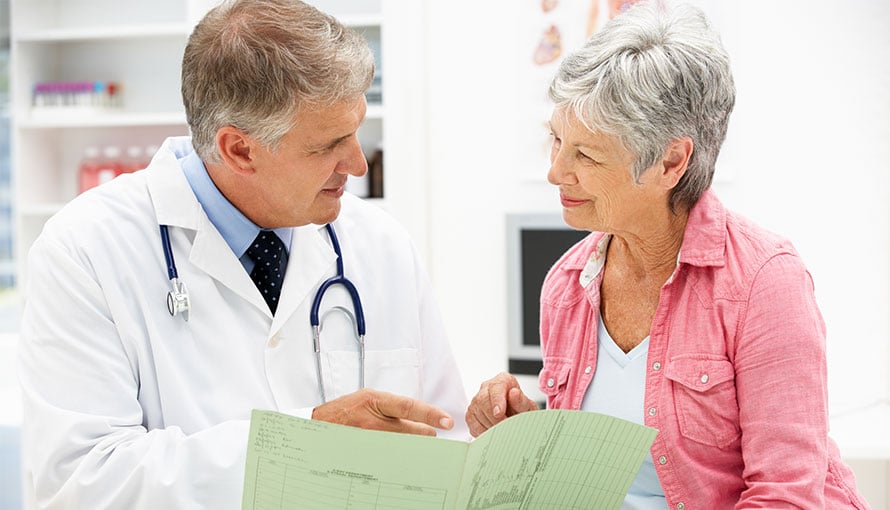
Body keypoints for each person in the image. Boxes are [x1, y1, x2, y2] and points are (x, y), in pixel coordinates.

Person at [18, 0, 468, 508]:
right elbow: (83, 483)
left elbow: (444, 441)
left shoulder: (381, 245)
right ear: (239, 150)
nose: (358, 164)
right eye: (329, 145)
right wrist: (306, 444)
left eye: (357, 131)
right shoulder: (86, 250)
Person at [466, 2, 870, 508]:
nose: (556, 171)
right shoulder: (567, 283)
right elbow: (601, 477)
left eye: (586, 154)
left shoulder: (765, 283)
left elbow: (785, 496)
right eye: (556, 141)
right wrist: (525, 436)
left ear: (671, 161)